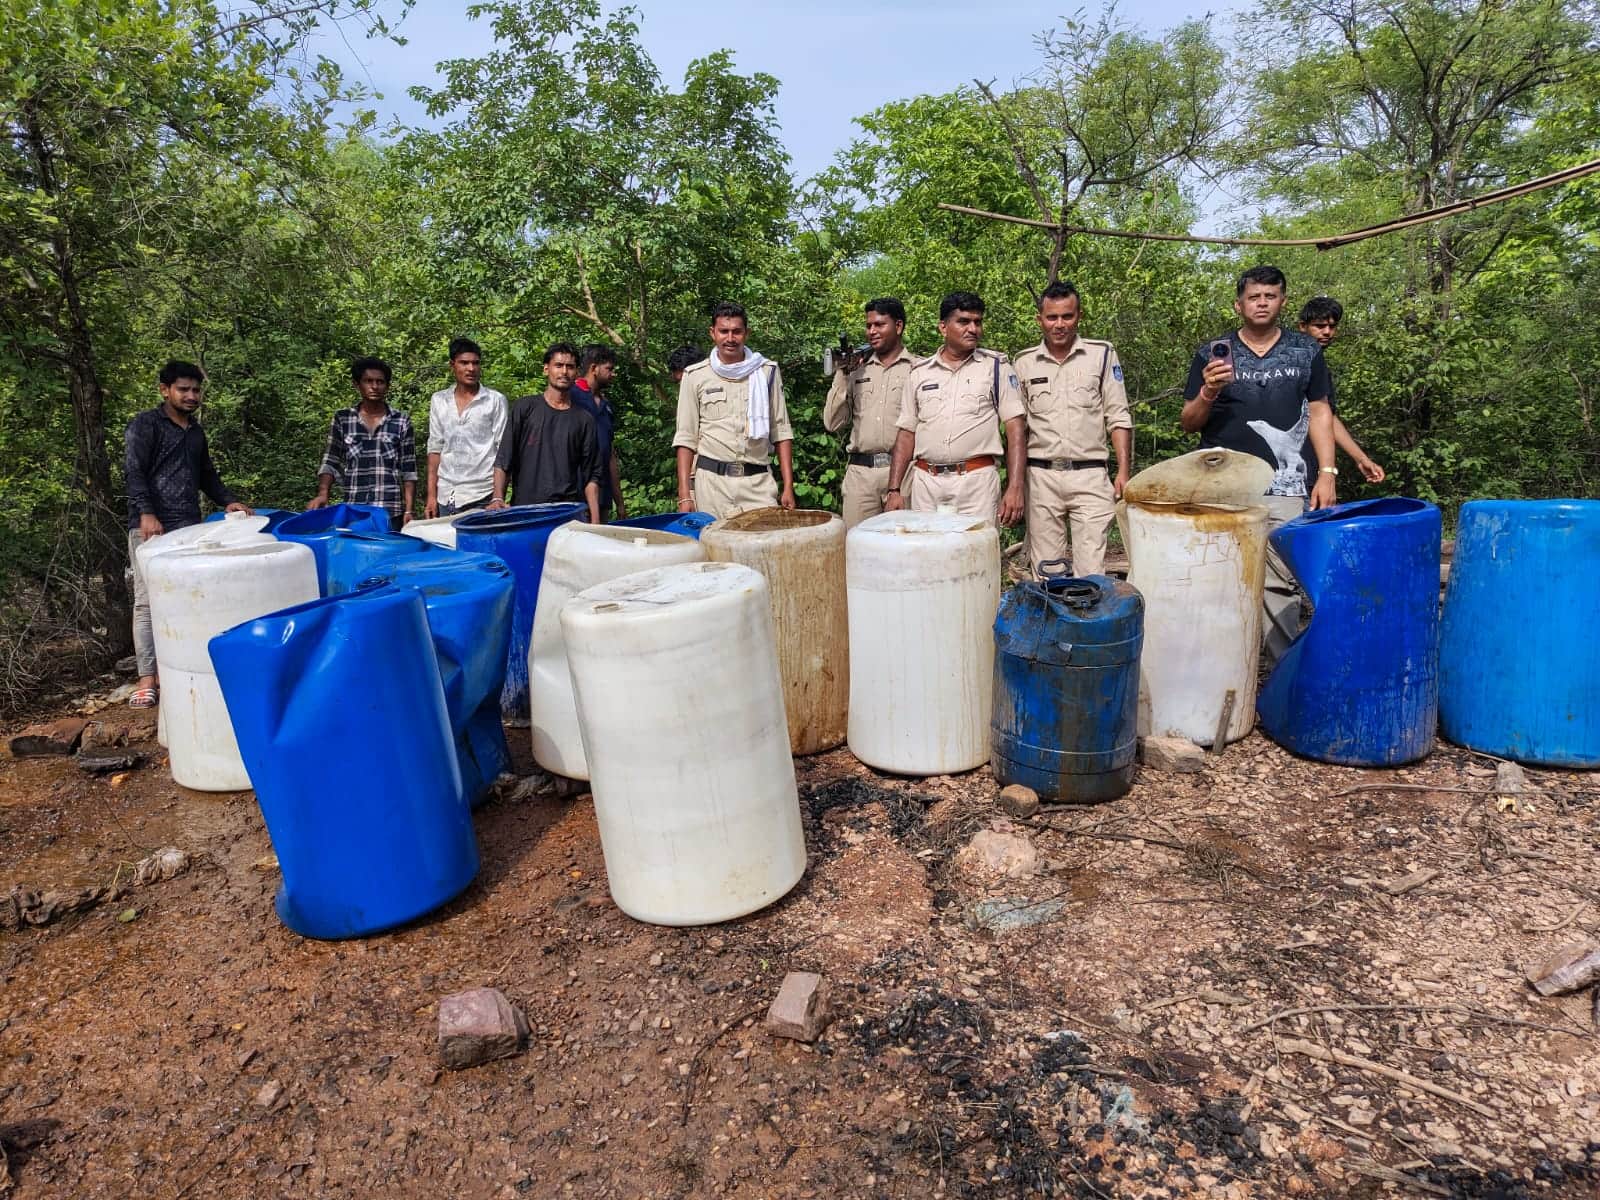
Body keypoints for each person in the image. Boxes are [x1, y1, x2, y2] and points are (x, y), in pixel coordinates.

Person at [1182, 265, 1337, 662]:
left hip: (1285, 485)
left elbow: (1320, 413)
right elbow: (1189, 423)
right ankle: (1220, 670)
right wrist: (1208, 391)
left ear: (1283, 302)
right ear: (1239, 305)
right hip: (1223, 485)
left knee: (1280, 581)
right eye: (1254, 296)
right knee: (1215, 574)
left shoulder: (1306, 351)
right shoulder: (1211, 352)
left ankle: (1277, 679)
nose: (1262, 302)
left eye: (1270, 296)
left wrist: (1327, 473)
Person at [123, 360, 253, 708]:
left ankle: (185, 667)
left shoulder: (194, 432)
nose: (191, 395)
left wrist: (230, 502)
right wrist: (146, 514)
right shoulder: (146, 425)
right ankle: (147, 678)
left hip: (189, 526)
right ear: (164, 390)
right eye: (184, 389)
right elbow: (134, 472)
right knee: (147, 601)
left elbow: (206, 475)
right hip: (151, 526)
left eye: (196, 390)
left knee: (187, 595)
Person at [1015, 281, 1133, 578]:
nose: (1059, 325)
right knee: (1047, 571)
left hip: (1091, 475)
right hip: (1041, 476)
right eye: (1052, 317)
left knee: (1091, 571)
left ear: (1078, 316)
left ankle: (1087, 623)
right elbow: (1017, 430)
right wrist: (1015, 483)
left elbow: (1118, 415)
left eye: (1067, 316)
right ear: (1039, 319)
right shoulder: (1024, 362)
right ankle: (1054, 622)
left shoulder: (1102, 354)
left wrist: (1123, 471)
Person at [885, 292, 1026, 523]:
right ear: (943, 327)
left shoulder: (996, 367)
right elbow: (906, 432)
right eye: (963, 321)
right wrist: (894, 490)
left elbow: (1015, 429)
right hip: (926, 484)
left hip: (976, 483)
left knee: (977, 554)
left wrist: (1015, 487)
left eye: (977, 322)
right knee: (928, 554)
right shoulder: (919, 372)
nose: (973, 329)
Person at [672, 303, 796, 519]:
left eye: (737, 331)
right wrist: (685, 494)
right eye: (724, 331)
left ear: (746, 333)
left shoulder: (767, 372)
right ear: (713, 333)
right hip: (711, 485)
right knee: (712, 550)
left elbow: (781, 431)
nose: (730, 338)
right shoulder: (694, 375)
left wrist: (788, 486)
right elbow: (686, 438)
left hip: (757, 483)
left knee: (761, 548)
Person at [822, 297, 917, 528]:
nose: (872, 331)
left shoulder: (919, 369)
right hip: (861, 475)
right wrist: (843, 373)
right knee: (857, 546)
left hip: (904, 474)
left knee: (904, 548)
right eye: (868, 326)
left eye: (880, 325)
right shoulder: (855, 371)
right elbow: (832, 423)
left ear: (899, 326)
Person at [489, 344, 602, 523]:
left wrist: (595, 523)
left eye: (570, 367)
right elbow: (504, 460)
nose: (564, 372)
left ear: (576, 373)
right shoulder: (525, 408)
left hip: (567, 515)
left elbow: (592, 477)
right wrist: (497, 498)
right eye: (558, 365)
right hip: (525, 512)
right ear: (546, 369)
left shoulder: (584, 419)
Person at [307, 356, 417, 528]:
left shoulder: (401, 421)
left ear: (387, 386)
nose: (374, 386)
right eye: (368, 381)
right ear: (357, 384)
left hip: (390, 511)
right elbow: (330, 461)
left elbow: (409, 469)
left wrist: (409, 510)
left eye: (380, 382)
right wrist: (323, 494)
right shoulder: (343, 419)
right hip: (355, 510)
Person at [1297, 297, 1385, 484]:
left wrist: (1361, 459)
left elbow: (1326, 417)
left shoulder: (1320, 367)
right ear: (1302, 327)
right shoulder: (1291, 364)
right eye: (1319, 326)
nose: (1327, 332)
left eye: (1332, 326)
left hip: (1311, 468)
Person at [424, 337, 508, 517]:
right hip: (446, 494)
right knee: (446, 544)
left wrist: (498, 496)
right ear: (452, 365)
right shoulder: (439, 400)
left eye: (475, 363)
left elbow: (502, 450)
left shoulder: (495, 400)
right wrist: (431, 496)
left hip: (482, 493)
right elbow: (435, 449)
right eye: (464, 363)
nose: (471, 368)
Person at [571, 344, 626, 520]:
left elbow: (609, 452)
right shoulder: (571, 397)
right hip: (575, 494)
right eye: (609, 369)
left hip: (603, 494)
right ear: (594, 368)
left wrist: (620, 502)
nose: (613, 374)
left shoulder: (606, 406)